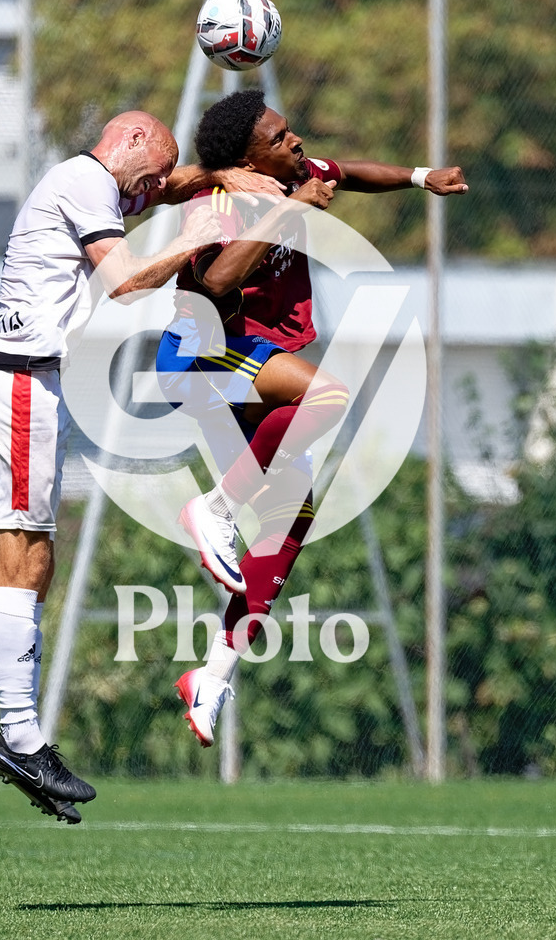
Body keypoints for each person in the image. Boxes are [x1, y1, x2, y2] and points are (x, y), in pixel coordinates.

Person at [0, 110, 281, 823]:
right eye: (156, 168)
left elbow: (162, 192)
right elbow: (128, 283)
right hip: (18, 384)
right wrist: (193, 239)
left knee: (32, 560)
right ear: (129, 140)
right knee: (22, 562)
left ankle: (23, 737)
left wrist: (217, 174)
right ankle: (19, 738)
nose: (161, 185)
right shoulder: (82, 180)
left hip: (26, 386)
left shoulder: (105, 186)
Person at [156, 89, 468, 748]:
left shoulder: (299, 176)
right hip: (202, 350)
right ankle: (213, 510)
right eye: (279, 138)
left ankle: (211, 675)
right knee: (326, 396)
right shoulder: (225, 201)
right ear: (247, 158)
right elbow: (214, 284)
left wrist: (419, 178)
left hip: (251, 360)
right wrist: (289, 211)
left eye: (292, 132)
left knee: (286, 525)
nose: (296, 143)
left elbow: (349, 172)